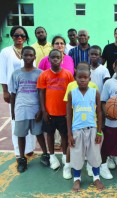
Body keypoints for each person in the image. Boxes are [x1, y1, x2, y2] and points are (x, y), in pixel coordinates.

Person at [9, 46, 50, 172]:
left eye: (30, 55)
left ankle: (45, 154)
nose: (28, 57)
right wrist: (13, 112)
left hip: (35, 110)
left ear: (34, 57)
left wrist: (41, 110)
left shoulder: (40, 73)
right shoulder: (16, 73)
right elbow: (13, 94)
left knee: (39, 133)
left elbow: (43, 93)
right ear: (22, 56)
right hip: (21, 109)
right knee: (21, 135)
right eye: (25, 55)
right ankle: (22, 158)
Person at [66, 63, 104, 192]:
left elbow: (99, 113)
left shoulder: (95, 92)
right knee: (76, 155)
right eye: (79, 77)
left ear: (90, 78)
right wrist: (69, 134)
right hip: (77, 129)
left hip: (92, 129)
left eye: (85, 77)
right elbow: (69, 115)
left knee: (94, 155)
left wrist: (99, 132)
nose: (82, 80)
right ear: (75, 78)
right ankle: (77, 179)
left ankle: (96, 178)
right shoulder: (72, 93)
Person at [0, 25, 36, 158]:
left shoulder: (29, 51)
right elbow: (2, 72)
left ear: (26, 38)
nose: (19, 38)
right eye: (16, 35)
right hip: (14, 93)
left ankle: (30, 148)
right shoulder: (6, 52)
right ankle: (18, 151)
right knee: (16, 120)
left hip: (30, 91)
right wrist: (5, 91)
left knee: (31, 119)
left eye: (22, 36)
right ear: (12, 36)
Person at [37, 49, 74, 173]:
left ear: (62, 59)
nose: (55, 59)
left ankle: (64, 155)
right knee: (50, 135)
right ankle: (52, 156)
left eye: (58, 57)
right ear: (49, 59)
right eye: (53, 57)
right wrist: (44, 111)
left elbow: (71, 93)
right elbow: (41, 93)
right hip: (50, 113)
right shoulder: (44, 75)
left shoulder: (68, 74)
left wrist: (70, 112)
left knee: (64, 135)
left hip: (64, 113)